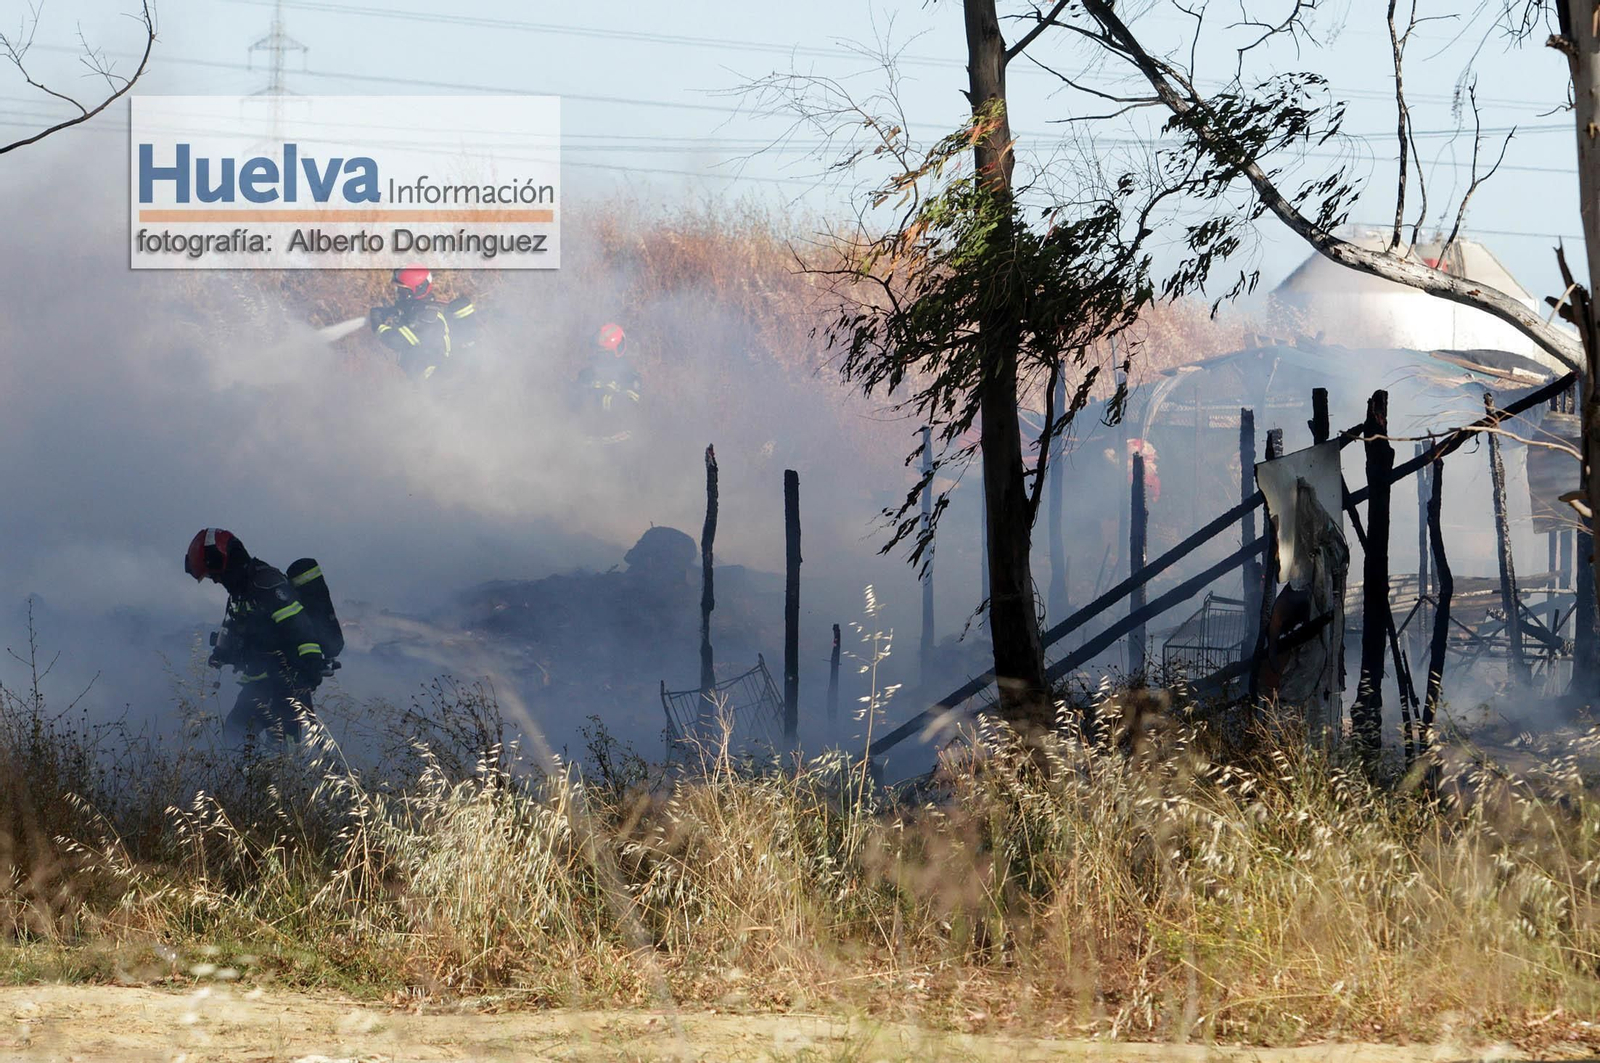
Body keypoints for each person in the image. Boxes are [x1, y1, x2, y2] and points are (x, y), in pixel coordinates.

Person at [185, 528, 329, 749]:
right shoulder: (242, 592)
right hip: (261, 681)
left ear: (224, 562)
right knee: (238, 731)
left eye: (214, 575)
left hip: (286, 682)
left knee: (286, 744)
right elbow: (235, 626)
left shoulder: (266, 584)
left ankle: (290, 779)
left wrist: (309, 667)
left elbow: (301, 628)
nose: (215, 582)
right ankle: (252, 780)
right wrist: (222, 653)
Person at [368, 266, 478, 379]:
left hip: (436, 382)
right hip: (426, 380)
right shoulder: (414, 309)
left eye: (403, 291)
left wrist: (377, 324)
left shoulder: (428, 316)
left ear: (419, 289)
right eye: (398, 290)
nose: (399, 294)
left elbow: (398, 341)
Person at [575, 322, 641, 437]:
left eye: (603, 353)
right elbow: (575, 406)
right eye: (597, 351)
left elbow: (628, 407)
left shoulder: (629, 376)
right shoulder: (586, 374)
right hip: (588, 443)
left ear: (617, 351)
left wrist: (597, 398)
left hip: (620, 444)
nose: (598, 357)